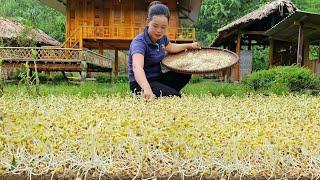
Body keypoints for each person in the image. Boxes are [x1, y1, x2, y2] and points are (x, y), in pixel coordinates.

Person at [128, 1, 201, 100]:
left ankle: (163, 92)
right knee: (175, 97)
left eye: (163, 27)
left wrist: (190, 45)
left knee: (185, 73)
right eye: (155, 26)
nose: (159, 30)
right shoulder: (139, 42)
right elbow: (137, 67)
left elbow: (170, 47)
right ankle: (157, 94)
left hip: (157, 79)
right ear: (147, 22)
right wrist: (147, 89)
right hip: (140, 84)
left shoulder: (162, 38)